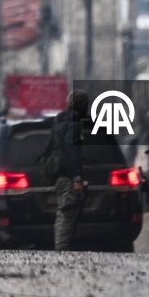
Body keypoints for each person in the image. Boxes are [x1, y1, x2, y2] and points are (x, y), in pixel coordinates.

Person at [49, 90, 89, 252]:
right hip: (68, 175)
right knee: (66, 213)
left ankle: (65, 248)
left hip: (60, 174)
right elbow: (71, 151)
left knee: (69, 212)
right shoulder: (73, 124)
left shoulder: (59, 122)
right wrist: (77, 178)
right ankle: (61, 251)